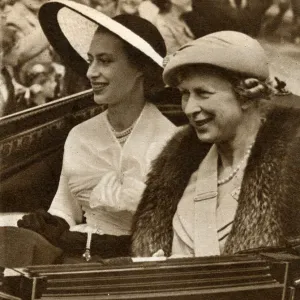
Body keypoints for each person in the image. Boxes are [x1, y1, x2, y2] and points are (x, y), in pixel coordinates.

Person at [1, 0, 177, 267]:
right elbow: (65, 210)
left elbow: (172, 236)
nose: (91, 72)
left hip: (144, 265)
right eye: (90, 60)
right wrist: (49, 222)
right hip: (78, 255)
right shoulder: (80, 135)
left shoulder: (172, 142)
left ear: (140, 68)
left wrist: (83, 243)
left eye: (105, 61)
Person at [131, 31, 300, 257]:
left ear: (247, 94)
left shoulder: (292, 169)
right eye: (184, 94)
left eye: (203, 93)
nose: (189, 108)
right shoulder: (177, 166)